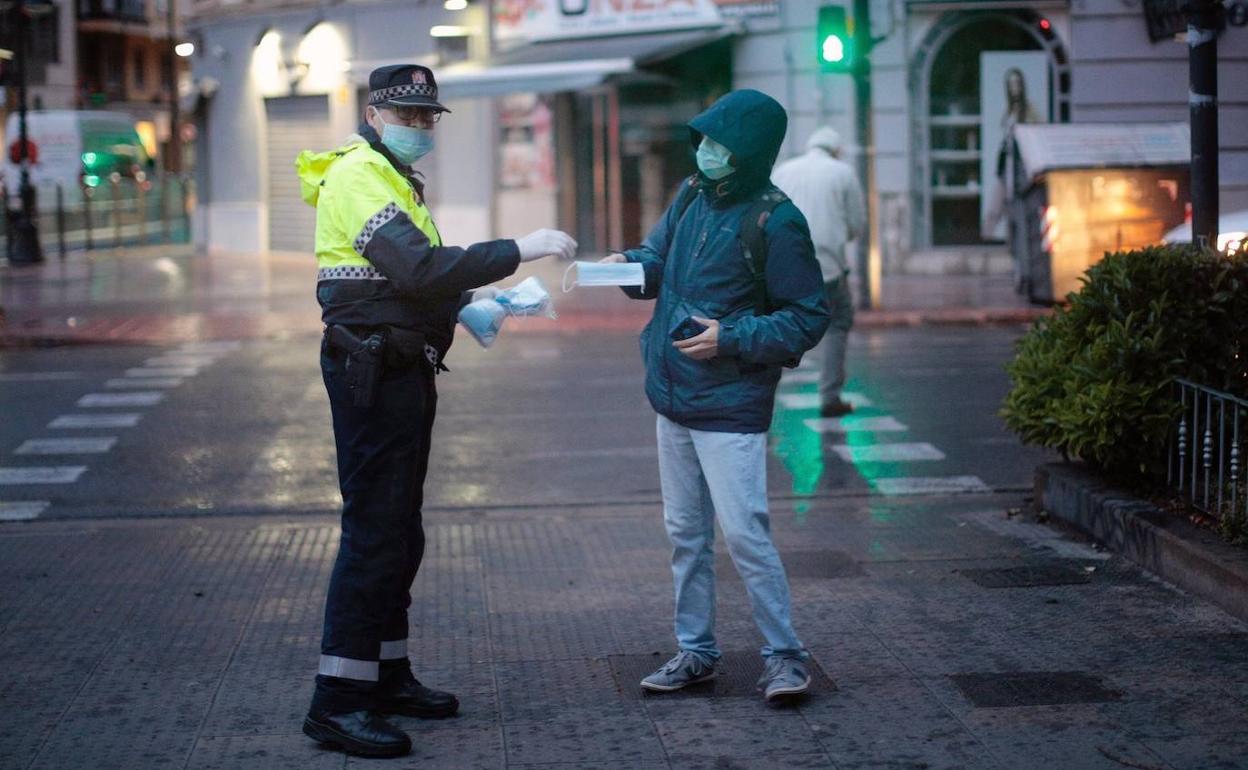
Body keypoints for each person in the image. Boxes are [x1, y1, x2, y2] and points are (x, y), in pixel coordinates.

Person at [295, 64, 576, 758]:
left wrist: (468, 307)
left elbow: (414, 284)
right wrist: (519, 249)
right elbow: (419, 268)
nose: (421, 127)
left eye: (428, 117)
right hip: (374, 372)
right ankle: (337, 701)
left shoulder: (394, 179)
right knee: (374, 533)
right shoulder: (360, 175)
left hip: (398, 368)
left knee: (399, 532)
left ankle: (385, 676)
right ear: (375, 112)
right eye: (409, 115)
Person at [602, 89, 831, 702]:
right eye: (701, 140)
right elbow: (657, 261)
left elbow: (807, 315)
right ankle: (696, 652)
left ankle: (786, 658)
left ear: (748, 153)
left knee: (746, 535)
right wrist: (625, 267)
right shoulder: (690, 195)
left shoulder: (776, 220)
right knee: (686, 535)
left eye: (717, 144)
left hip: (730, 405)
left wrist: (732, 337)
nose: (703, 152)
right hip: (673, 397)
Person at [771, 126, 865, 418]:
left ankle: (763, 399)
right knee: (838, 322)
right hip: (827, 266)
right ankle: (830, 396)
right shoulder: (842, 172)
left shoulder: (783, 171)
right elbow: (856, 223)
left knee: (776, 332)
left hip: (784, 267)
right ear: (836, 150)